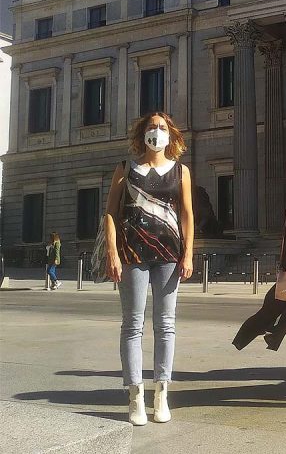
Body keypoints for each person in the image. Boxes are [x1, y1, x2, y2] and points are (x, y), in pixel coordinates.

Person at [104, 112, 194, 425]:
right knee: (132, 324)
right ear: (143, 133)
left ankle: (161, 394)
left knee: (166, 324)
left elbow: (187, 214)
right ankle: (135, 396)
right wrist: (112, 252)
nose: (157, 132)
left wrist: (189, 253)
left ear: (171, 135)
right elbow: (111, 213)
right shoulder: (125, 168)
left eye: (162, 127)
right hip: (131, 253)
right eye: (152, 127)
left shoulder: (180, 171)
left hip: (169, 254)